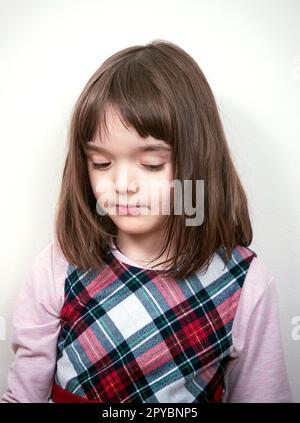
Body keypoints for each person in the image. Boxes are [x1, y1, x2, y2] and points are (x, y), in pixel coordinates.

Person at [0, 40, 293, 403]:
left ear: (196, 161)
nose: (122, 185)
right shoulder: (57, 267)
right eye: (102, 164)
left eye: (151, 164)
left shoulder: (245, 285)